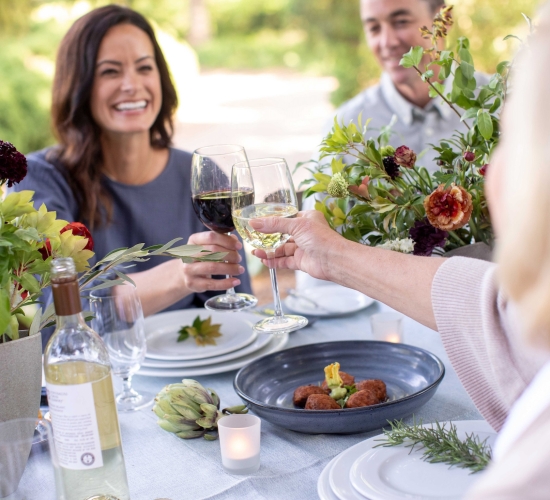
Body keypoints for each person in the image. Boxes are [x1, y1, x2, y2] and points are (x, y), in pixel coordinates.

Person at [250, 4, 550, 495]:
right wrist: (329, 259)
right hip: (408, 333)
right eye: (372, 25)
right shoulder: (351, 124)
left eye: (401, 20)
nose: (386, 39)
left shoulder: (488, 100)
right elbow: (484, 300)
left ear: (439, 22)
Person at [15, 6, 251, 334]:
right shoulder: (41, 179)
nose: (132, 84)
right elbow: (64, 309)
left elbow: (234, 301)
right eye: (110, 72)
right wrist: (181, 275)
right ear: (79, 85)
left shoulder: (201, 176)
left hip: (190, 371)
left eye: (144, 67)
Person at [322, 0, 461, 171]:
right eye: (374, 28)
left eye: (401, 22)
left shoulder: (498, 108)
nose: (387, 42)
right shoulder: (346, 132)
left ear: (444, 20)